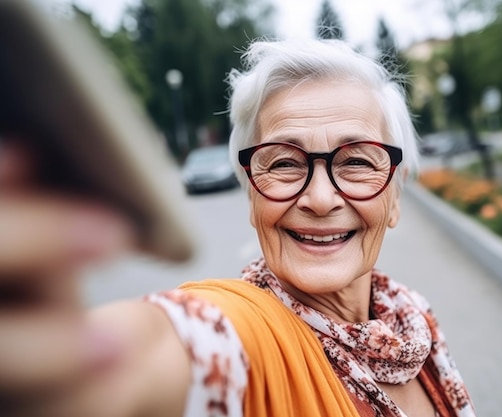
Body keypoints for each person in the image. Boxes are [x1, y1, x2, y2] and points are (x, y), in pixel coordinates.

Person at [0, 38, 476, 417]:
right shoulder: (240, 337)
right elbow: (146, 361)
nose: (320, 198)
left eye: (355, 162)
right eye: (285, 164)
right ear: (252, 194)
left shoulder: (413, 318)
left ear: (395, 195)